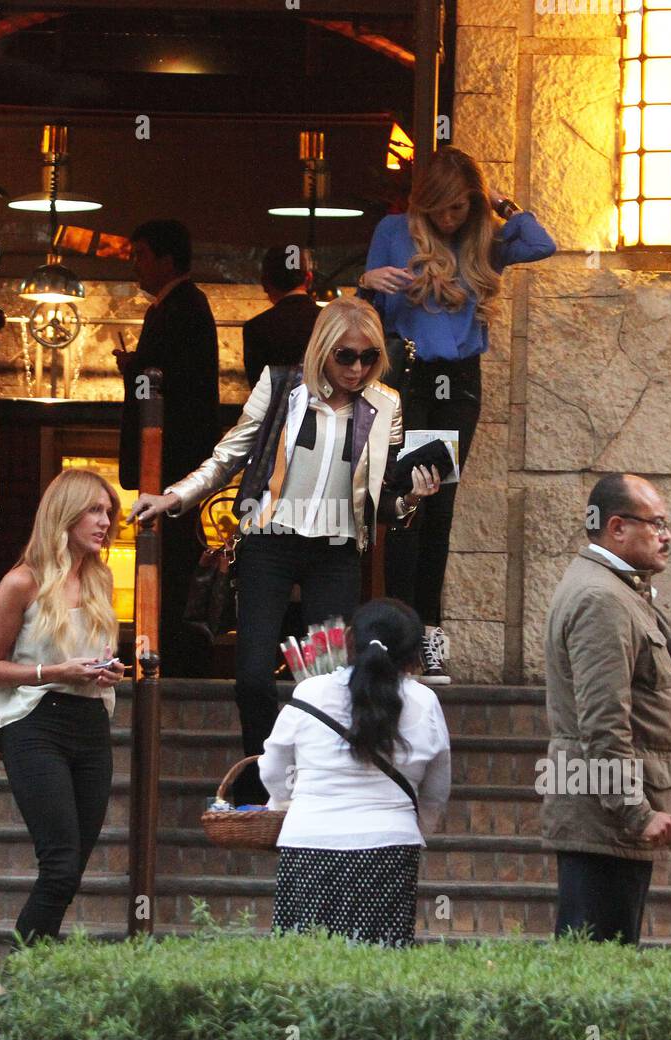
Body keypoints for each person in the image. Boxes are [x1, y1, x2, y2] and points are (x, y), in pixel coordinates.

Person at [130, 297, 442, 804]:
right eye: (345, 356)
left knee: (326, 680)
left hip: (337, 553)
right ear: (322, 349)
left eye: (368, 358)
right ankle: (262, 783)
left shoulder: (387, 405)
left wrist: (412, 498)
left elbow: (383, 501)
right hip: (269, 543)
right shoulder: (281, 387)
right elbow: (230, 454)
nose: (357, 368)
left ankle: (313, 781)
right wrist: (175, 497)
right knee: (252, 675)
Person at [359, 146, 557, 683]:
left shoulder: (482, 238)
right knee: (405, 509)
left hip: (457, 385)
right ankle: (400, 640)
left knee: (439, 509)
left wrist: (500, 203)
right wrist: (367, 283)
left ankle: (430, 640)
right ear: (423, 203)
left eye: (460, 208)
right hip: (407, 380)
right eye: (442, 209)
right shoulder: (395, 230)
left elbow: (543, 243)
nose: (450, 219)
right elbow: (365, 316)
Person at [540, 473, 671, 945]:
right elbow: (605, 720)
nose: (667, 536)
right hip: (604, 821)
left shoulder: (615, 589)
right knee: (595, 969)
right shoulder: (602, 599)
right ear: (617, 527)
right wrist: (635, 811)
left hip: (603, 819)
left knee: (600, 962)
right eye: (657, 523)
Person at [0, 469, 126, 945]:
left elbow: (89, 655)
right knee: (59, 866)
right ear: (64, 515)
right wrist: (56, 672)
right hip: (36, 725)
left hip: (90, 724)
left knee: (72, 869)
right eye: (94, 511)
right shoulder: (23, 582)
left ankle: (29, 983)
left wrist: (106, 670)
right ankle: (13, 991)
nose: (105, 521)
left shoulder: (101, 580)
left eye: (108, 512)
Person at [258, 599, 451, 947]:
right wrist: (414, 827)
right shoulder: (425, 702)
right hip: (390, 848)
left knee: (302, 971)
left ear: (347, 641)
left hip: (309, 843)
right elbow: (437, 791)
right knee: (379, 973)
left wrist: (288, 803)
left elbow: (273, 768)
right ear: (413, 654)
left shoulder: (309, 693)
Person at [113, 218, 219, 677]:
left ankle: (171, 646)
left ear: (166, 259)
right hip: (170, 456)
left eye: (141, 254)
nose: (135, 264)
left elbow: (172, 380)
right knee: (163, 549)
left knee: (172, 554)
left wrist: (134, 367)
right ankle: (162, 642)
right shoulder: (170, 306)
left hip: (174, 457)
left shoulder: (184, 307)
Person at [242, 245, 321, 388]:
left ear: (265, 283)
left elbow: (258, 391)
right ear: (308, 279)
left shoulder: (255, 328)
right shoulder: (331, 321)